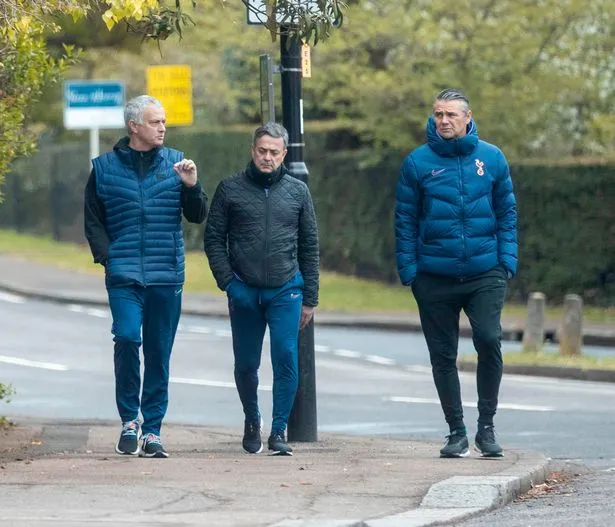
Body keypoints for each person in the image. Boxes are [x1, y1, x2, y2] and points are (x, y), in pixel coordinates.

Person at [395, 88, 518, 458]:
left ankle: (487, 427)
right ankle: (456, 432)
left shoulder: (492, 159)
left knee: (488, 339)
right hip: (434, 276)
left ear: (467, 117)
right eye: (438, 115)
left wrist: (506, 261)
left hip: (485, 271)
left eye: (450, 115)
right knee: (443, 356)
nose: (443, 121)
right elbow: (404, 220)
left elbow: (507, 212)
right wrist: (410, 272)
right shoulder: (417, 163)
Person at [84, 94, 207, 458]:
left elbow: (198, 215)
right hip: (124, 275)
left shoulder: (177, 164)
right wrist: (109, 258)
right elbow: (93, 220)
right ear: (133, 126)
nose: (163, 128)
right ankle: (129, 421)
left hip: (166, 274)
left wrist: (192, 185)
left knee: (158, 353)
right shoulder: (104, 168)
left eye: (164, 122)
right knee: (125, 338)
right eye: (155, 122)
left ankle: (152, 430)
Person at [204, 122, 319, 456]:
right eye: (262, 151)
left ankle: (279, 428)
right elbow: (213, 240)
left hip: (286, 290)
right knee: (245, 363)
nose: (267, 158)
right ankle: (252, 419)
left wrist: (310, 297)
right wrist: (228, 283)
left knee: (285, 357)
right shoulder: (230, 189)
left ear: (284, 154)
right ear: (252, 150)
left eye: (274, 152)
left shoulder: (298, 191)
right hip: (244, 290)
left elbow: (310, 246)